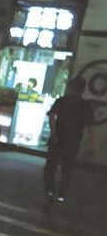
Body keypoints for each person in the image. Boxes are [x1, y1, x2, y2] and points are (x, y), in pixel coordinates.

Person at [43, 75, 96, 203]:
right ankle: (61, 195)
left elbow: (52, 116)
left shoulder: (62, 101)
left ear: (71, 87)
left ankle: (49, 190)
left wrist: (54, 134)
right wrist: (92, 144)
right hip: (74, 141)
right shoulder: (85, 106)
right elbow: (90, 126)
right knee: (67, 170)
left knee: (51, 167)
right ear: (83, 90)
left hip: (58, 139)